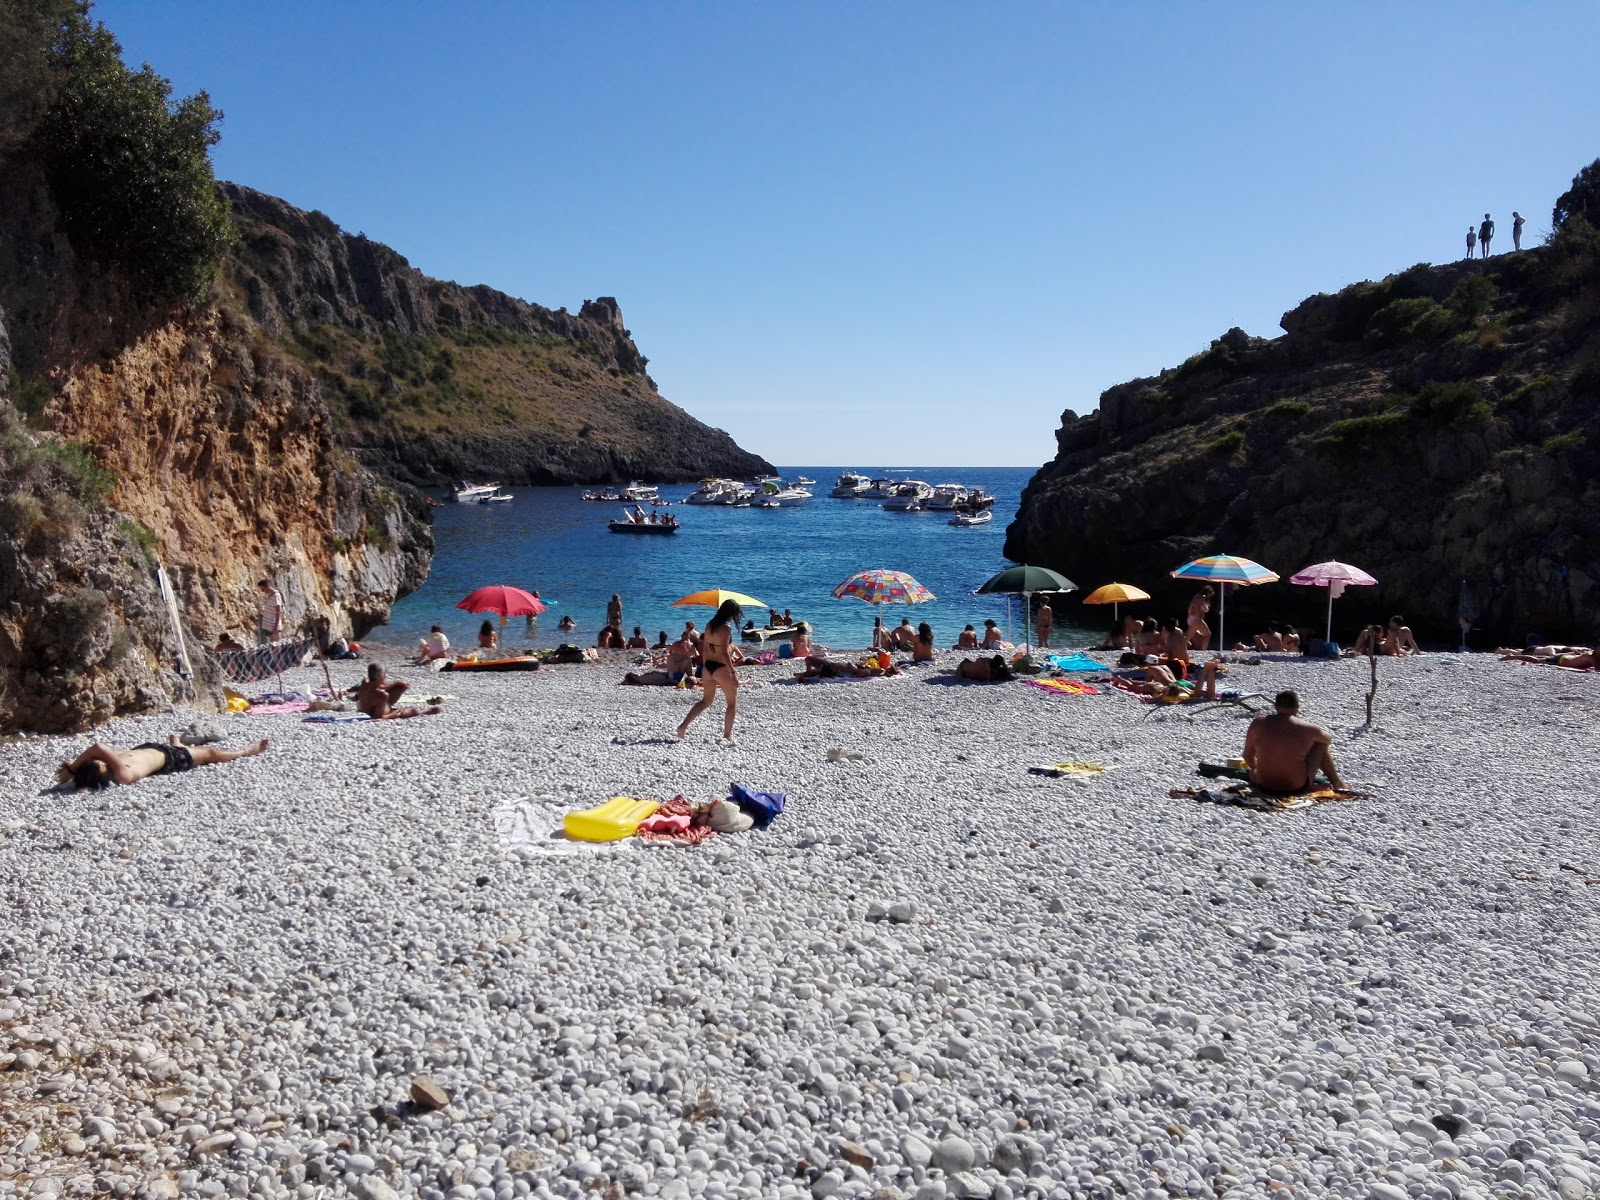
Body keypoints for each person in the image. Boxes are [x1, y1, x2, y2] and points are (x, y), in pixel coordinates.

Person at [58, 736, 269, 790]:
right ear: (103, 772)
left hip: (144, 748)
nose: (102, 761)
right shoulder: (122, 775)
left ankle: (177, 743)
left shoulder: (103, 767)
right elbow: (99, 748)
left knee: (180, 746)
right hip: (170, 759)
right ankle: (246, 751)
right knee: (210, 753)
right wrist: (74, 768)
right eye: (101, 763)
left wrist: (71, 771)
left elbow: (64, 775)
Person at [1243, 690, 1348, 792]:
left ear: (1276, 706)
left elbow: (1247, 756)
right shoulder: (1308, 729)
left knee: (1255, 771)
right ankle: (1336, 782)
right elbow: (1328, 739)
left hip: (1263, 785)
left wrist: (1255, 767)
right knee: (1320, 744)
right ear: (1297, 707)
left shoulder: (1257, 723)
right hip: (1295, 787)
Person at [677, 598, 744, 743]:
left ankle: (682, 727)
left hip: (708, 666)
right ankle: (727, 735)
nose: (735, 617)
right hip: (720, 667)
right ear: (730, 613)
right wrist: (732, 672)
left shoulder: (709, 625)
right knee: (732, 703)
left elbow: (705, 649)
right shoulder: (726, 628)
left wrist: (705, 666)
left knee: (705, 701)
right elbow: (725, 653)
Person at [358, 663, 441, 720]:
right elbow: (379, 717)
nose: (386, 676)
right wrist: (396, 714)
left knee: (400, 687)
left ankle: (391, 708)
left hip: (367, 708)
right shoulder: (382, 694)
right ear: (380, 677)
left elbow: (379, 685)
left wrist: (397, 683)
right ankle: (424, 712)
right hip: (377, 713)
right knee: (412, 710)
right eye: (384, 675)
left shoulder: (365, 681)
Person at [256, 579, 283, 645]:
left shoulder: (276, 595)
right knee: (273, 645)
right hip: (270, 626)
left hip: (273, 626)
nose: (263, 591)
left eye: (263, 589)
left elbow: (278, 611)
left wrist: (276, 627)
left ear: (267, 587)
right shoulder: (271, 595)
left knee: (276, 646)